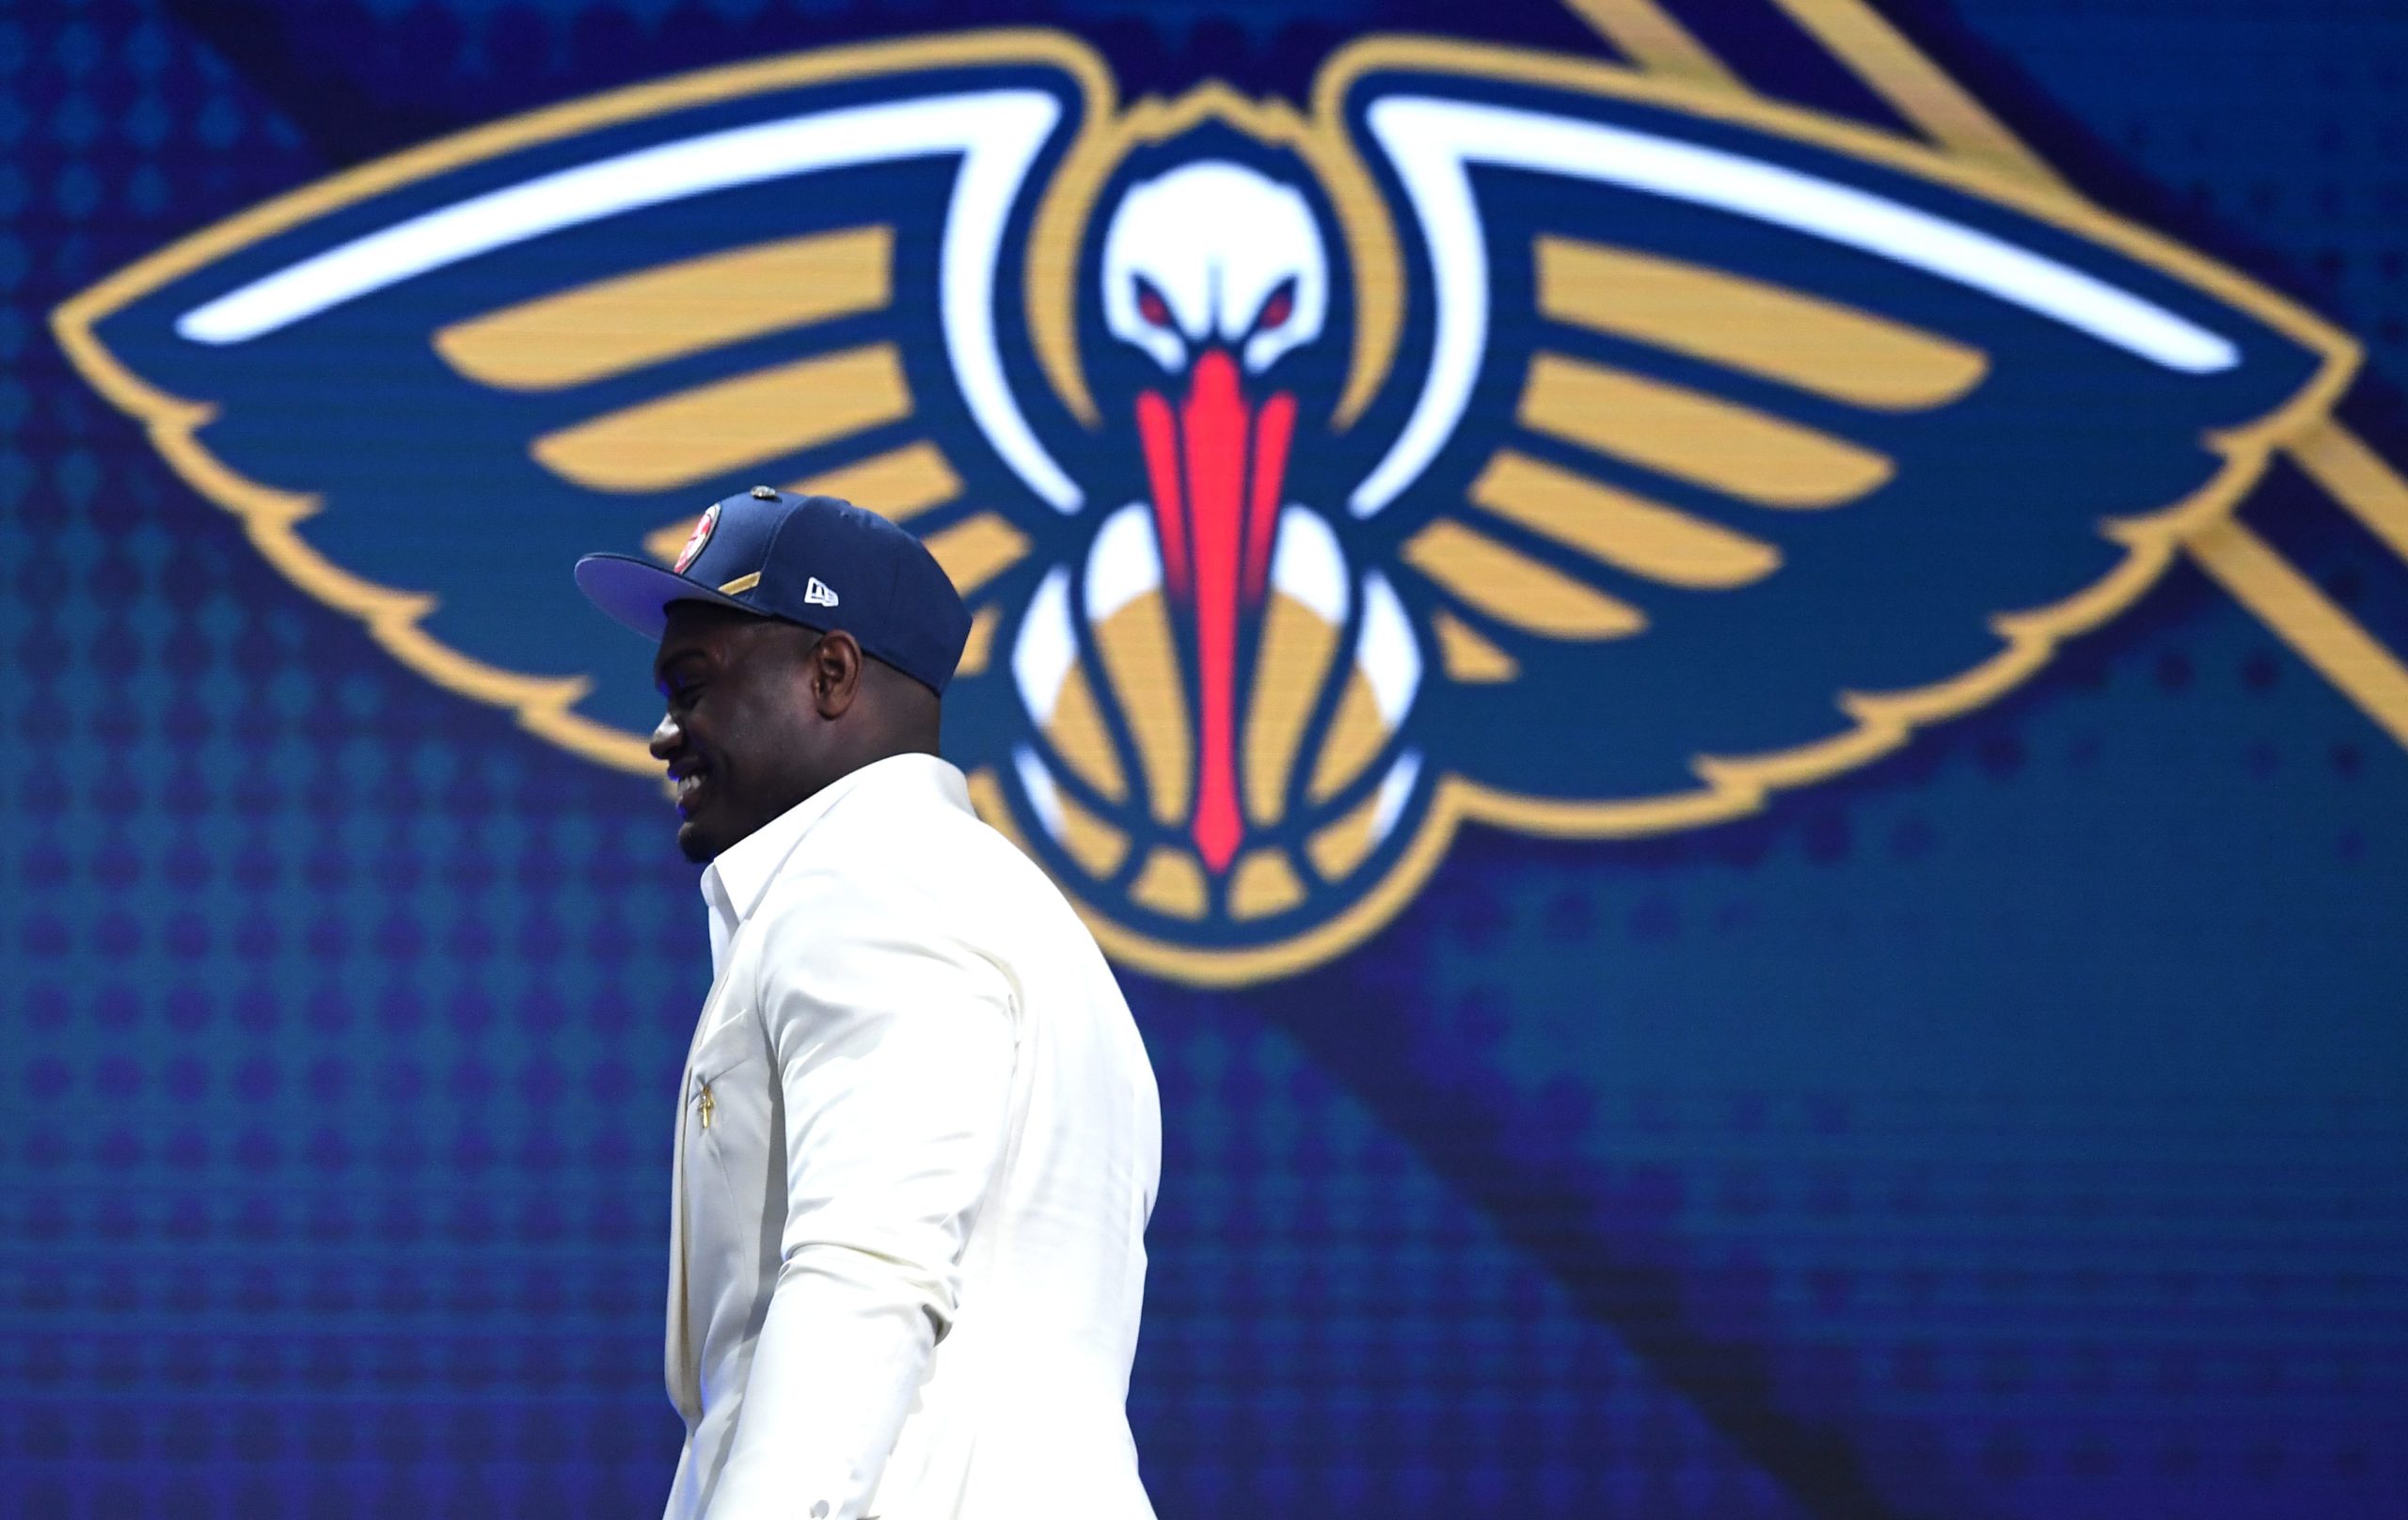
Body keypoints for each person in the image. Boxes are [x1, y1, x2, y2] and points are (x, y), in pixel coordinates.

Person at [574, 486, 1162, 1520]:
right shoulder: (1020, 917)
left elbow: (866, 1273)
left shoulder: (865, 883)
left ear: (831, 672)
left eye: (694, 684)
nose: (665, 732)